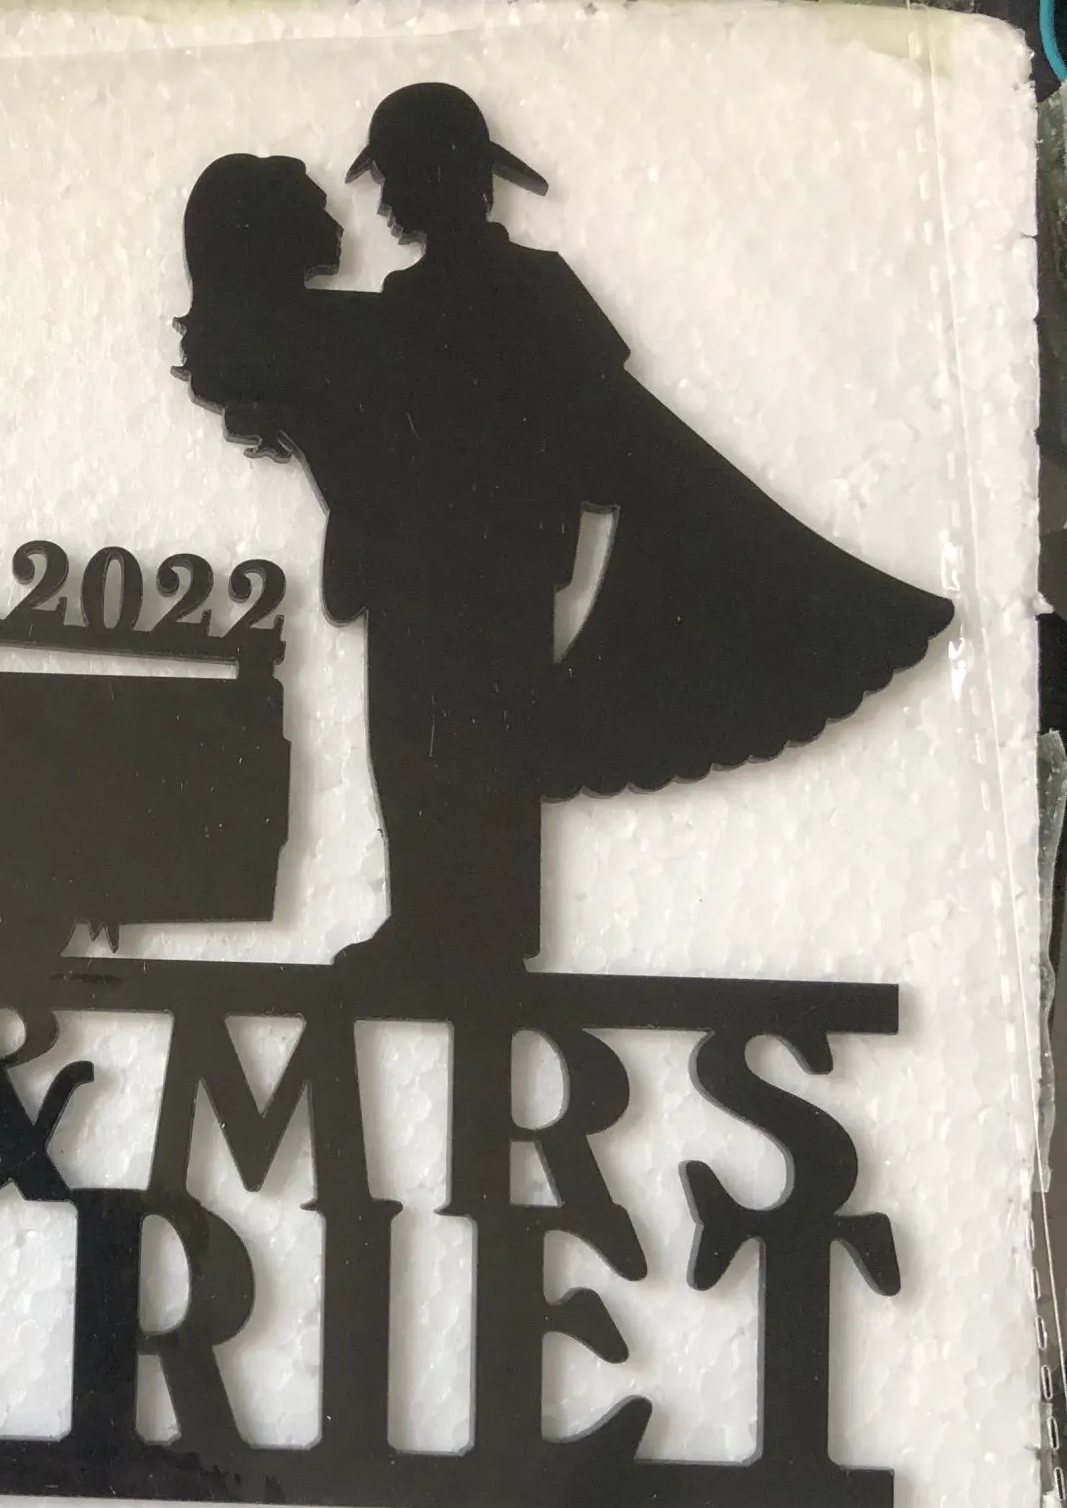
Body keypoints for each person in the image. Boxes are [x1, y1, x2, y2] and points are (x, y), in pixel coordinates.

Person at [181, 88, 954, 980]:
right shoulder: (415, 302)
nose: (385, 202)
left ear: (441, 180)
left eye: (396, 178)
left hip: (481, 571)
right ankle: (437, 924)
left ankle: (469, 934)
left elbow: (598, 424)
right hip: (418, 567)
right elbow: (302, 362)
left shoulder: (516, 291)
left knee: (468, 746)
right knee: (419, 748)